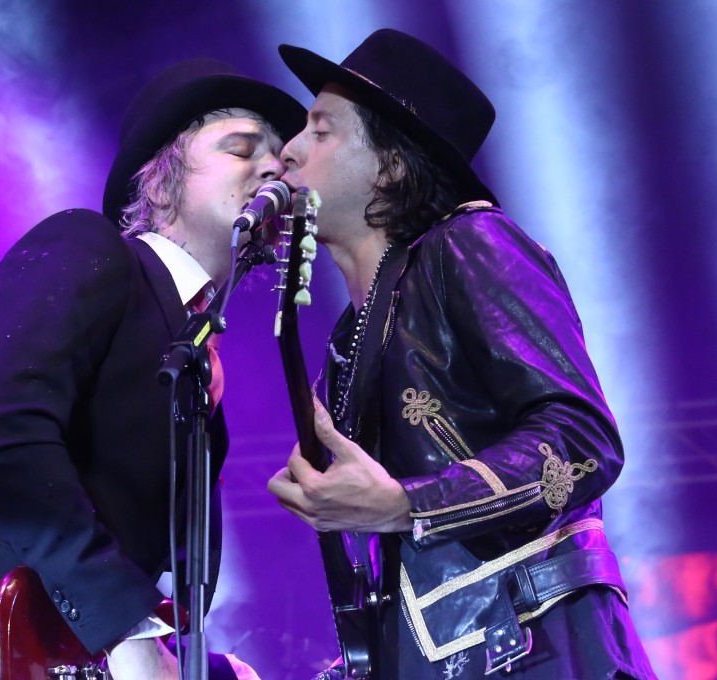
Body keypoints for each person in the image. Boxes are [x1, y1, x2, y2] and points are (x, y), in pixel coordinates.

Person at [0, 58, 305, 680]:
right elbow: (2, 429)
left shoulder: (198, 351)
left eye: (281, 157)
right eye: (242, 148)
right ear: (160, 184)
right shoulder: (89, 248)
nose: (273, 167)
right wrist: (125, 627)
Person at [266, 29, 658, 679]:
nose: (289, 149)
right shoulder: (347, 340)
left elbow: (583, 438)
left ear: (392, 165)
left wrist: (409, 503)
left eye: (321, 130)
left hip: (540, 651)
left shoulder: (470, 243)